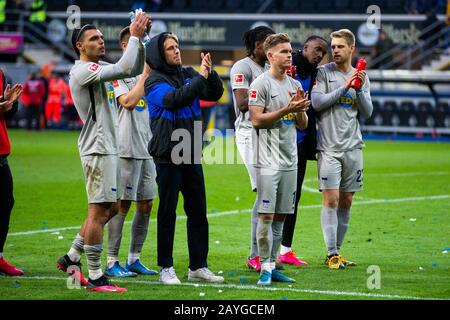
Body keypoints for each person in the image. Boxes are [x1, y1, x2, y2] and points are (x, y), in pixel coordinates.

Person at [55, 12, 150, 293]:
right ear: (80, 46)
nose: (100, 41)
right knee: (98, 211)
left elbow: (132, 69)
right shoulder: (83, 71)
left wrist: (140, 41)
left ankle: (72, 257)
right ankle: (96, 277)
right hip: (97, 148)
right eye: (93, 39)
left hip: (108, 146)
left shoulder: (100, 68)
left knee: (111, 207)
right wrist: (133, 35)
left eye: (100, 37)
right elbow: (124, 68)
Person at [144, 32, 224, 285]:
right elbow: (174, 99)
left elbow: (213, 94)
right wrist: (199, 78)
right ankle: (166, 268)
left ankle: (198, 266)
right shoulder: (154, 81)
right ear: (159, 54)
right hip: (167, 152)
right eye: (170, 48)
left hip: (190, 149)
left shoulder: (188, 73)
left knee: (198, 211)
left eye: (177, 46)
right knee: (167, 212)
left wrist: (209, 74)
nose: (177, 51)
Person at [248, 33, 310, 286]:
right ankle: (263, 267)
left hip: (290, 161)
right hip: (267, 162)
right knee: (266, 215)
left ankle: (272, 266)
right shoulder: (260, 85)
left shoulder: (295, 85)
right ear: (271, 54)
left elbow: (303, 123)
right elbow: (256, 120)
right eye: (284, 51)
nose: (289, 54)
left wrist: (299, 112)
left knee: (282, 216)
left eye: (290, 50)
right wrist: (287, 109)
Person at [311, 29, 373, 269]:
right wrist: (346, 87)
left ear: (351, 48)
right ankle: (331, 253)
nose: (334, 50)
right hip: (328, 148)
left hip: (353, 148)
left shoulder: (362, 77)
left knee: (346, 201)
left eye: (339, 46)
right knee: (332, 198)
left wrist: (358, 88)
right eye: (332, 46)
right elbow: (317, 103)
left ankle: (338, 253)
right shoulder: (323, 74)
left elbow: (367, 112)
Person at [106, 26, 158, 278]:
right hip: (126, 147)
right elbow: (127, 103)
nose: (145, 48)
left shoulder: (150, 74)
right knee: (121, 205)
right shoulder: (117, 73)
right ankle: (111, 260)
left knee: (146, 204)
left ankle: (134, 258)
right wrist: (144, 76)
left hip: (148, 148)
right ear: (127, 46)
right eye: (140, 43)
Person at [278, 35, 328, 266]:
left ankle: (285, 249)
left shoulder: (316, 74)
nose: (319, 54)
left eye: (323, 52)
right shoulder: (286, 67)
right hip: (277, 141)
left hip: (300, 142)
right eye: (317, 49)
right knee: (270, 197)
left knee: (293, 197)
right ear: (305, 47)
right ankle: (259, 251)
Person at [229, 26, 275, 273]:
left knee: (272, 194)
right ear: (257, 45)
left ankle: (268, 253)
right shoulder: (242, 68)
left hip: (271, 133)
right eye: (268, 43)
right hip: (249, 134)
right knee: (264, 192)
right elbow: (243, 103)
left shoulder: (270, 68)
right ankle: (255, 254)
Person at [0, 68, 24, 276]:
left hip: (1, 151)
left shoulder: (0, 73)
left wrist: (8, 102)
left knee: (6, 203)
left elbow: (8, 113)